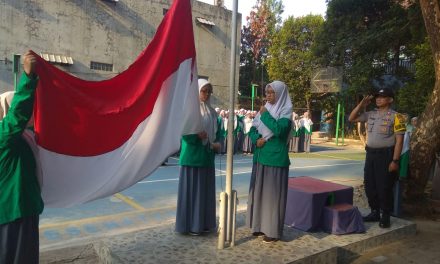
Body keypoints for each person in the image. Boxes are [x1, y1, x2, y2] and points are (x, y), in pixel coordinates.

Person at [0, 51, 44, 264]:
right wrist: (28, 77)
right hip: (15, 213)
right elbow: (18, 116)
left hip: (17, 211)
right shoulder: (4, 136)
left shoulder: (19, 138)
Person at [348, 88, 405, 228]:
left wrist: (395, 161)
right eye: (377, 97)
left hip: (386, 156)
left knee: (384, 186)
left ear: (390, 100)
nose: (378, 99)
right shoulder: (370, 114)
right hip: (371, 155)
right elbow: (352, 118)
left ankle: (385, 215)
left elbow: (399, 141)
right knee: (369, 185)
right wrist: (361, 105)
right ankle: (374, 212)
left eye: (382, 97)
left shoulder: (397, 117)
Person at [246, 80, 292, 243]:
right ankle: (257, 226)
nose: (268, 95)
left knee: (272, 197)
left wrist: (265, 114)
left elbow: (280, 130)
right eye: (267, 92)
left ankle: (272, 230)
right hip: (260, 156)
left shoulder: (285, 111)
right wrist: (256, 139)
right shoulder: (265, 109)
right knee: (259, 193)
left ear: (280, 94)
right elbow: (252, 129)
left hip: (275, 158)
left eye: (272, 93)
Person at [175, 79, 221, 235]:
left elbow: (218, 131)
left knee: (204, 193)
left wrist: (217, 143)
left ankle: (203, 224)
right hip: (192, 157)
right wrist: (197, 136)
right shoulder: (190, 110)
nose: (206, 94)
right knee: (192, 193)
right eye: (204, 91)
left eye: (209, 91)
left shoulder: (213, 112)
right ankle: (189, 226)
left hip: (207, 156)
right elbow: (184, 132)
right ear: (197, 91)